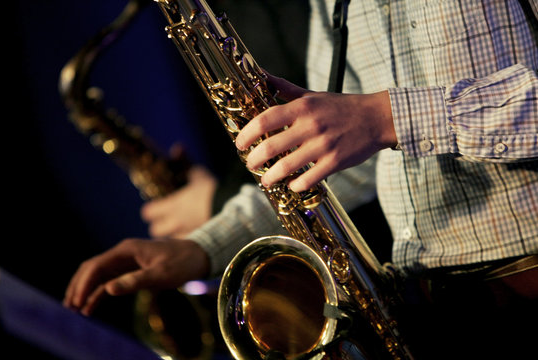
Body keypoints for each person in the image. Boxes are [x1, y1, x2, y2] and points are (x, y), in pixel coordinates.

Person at [65, 0, 538, 358]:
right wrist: (203, 248)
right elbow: (348, 160)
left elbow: (376, 126)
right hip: (432, 309)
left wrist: (385, 117)